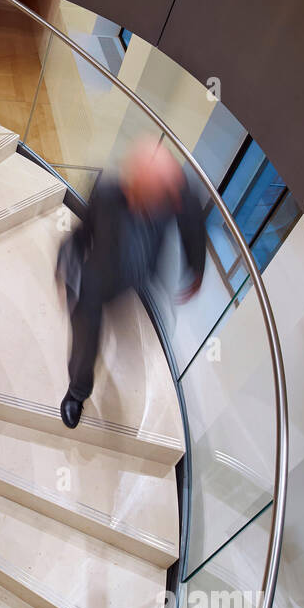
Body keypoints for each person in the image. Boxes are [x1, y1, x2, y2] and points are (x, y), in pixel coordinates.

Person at [58, 135, 206, 430]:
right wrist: (70, 258)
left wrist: (195, 270)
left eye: (147, 196)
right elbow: (85, 229)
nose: (137, 199)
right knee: (85, 332)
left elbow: (193, 225)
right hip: (99, 279)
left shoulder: (176, 195)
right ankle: (77, 391)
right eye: (134, 190)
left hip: (140, 273)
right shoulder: (110, 192)